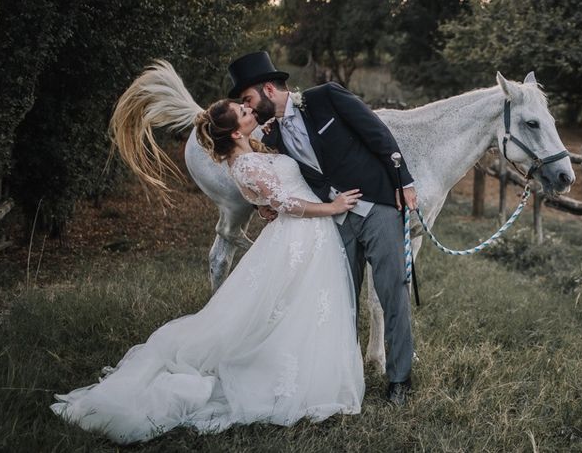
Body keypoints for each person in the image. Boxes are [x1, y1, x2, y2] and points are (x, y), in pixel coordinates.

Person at [50, 99, 366, 444]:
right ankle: (297, 379)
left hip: (304, 237)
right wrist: (331, 207)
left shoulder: (251, 151)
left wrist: (268, 195)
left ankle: (312, 371)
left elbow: (268, 197)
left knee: (301, 308)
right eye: (244, 113)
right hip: (301, 235)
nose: (250, 111)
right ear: (234, 131)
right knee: (294, 309)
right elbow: (284, 203)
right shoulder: (243, 163)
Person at [228, 51, 416, 405]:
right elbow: (270, 182)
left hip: (377, 205)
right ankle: (346, 374)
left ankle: (400, 379)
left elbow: (377, 133)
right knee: (342, 299)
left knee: (392, 291)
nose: (248, 107)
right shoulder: (271, 139)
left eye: (248, 98)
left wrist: (403, 180)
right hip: (333, 222)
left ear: (269, 88)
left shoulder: (326, 97)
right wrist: (264, 206)